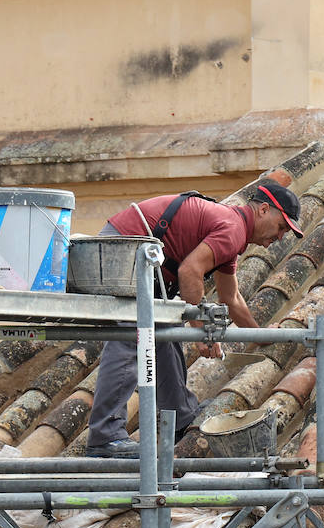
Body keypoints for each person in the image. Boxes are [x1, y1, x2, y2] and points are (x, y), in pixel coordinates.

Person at [86, 181, 304, 458]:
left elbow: (231, 298)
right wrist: (202, 330)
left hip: (134, 257)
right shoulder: (233, 229)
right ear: (263, 209)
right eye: (282, 226)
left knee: (166, 329)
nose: (280, 236)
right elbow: (190, 271)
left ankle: (179, 416)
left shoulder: (232, 231)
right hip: (122, 251)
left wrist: (260, 336)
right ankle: (104, 438)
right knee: (134, 333)